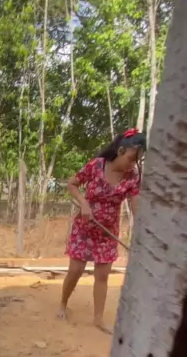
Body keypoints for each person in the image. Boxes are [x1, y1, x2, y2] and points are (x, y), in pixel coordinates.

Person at [58, 128, 146, 332]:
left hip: (107, 232)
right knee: (76, 271)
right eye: (131, 158)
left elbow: (136, 208)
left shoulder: (133, 177)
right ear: (121, 151)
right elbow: (72, 185)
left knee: (102, 276)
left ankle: (98, 319)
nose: (132, 164)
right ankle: (63, 303)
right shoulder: (97, 165)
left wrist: (141, 234)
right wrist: (84, 204)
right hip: (85, 228)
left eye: (136, 161)